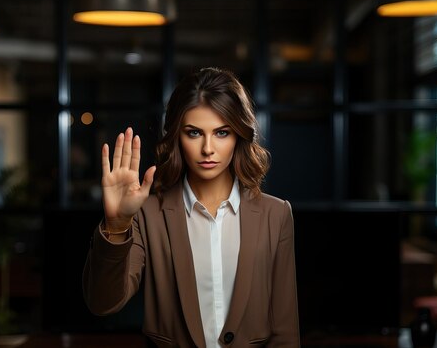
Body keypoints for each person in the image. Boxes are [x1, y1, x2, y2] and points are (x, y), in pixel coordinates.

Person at [83, 67, 300, 347]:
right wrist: (116, 225)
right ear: (177, 136)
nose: (208, 148)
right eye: (194, 132)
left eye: (222, 132)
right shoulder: (148, 215)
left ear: (239, 135)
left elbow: (285, 331)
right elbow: (103, 304)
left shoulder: (276, 214)